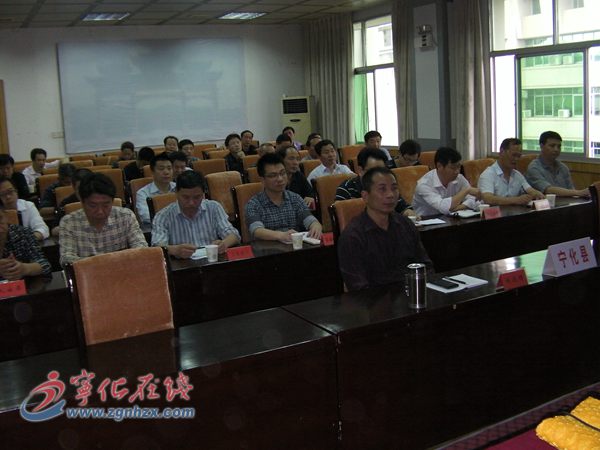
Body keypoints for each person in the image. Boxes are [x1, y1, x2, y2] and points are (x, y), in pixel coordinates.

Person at [337, 166, 432, 291]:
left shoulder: (406, 224)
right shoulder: (353, 236)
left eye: (394, 188)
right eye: (382, 189)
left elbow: (426, 266)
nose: (390, 195)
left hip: (412, 294)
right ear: (365, 196)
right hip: (375, 300)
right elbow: (358, 287)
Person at [59, 173, 147, 267]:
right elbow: (67, 258)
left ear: (112, 201)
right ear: (82, 202)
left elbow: (141, 248)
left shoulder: (126, 216)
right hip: (88, 274)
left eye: (105, 205)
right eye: (93, 206)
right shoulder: (69, 223)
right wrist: (105, 263)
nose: (100, 211)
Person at [152, 171, 240, 258]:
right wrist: (174, 250)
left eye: (197, 197)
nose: (191, 203)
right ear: (176, 193)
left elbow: (234, 235)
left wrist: (224, 244)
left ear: (203, 194)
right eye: (186, 197)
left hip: (211, 261)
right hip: (181, 263)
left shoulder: (213, 208)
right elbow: (157, 247)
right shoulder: (163, 216)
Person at [245, 153, 322, 243]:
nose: (280, 179)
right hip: (267, 249)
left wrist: (315, 226)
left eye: (282, 173)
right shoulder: (254, 204)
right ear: (262, 180)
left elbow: (310, 219)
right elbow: (256, 230)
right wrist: (280, 235)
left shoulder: (295, 198)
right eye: (273, 175)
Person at [336, 147, 415, 216]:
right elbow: (342, 219)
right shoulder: (346, 189)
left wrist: (408, 212)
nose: (379, 175)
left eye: (382, 170)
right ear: (360, 170)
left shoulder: (388, 187)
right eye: (373, 171)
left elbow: (402, 206)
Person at [412, 147, 480, 216]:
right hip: (427, 220)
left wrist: (457, 208)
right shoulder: (424, 184)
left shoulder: (459, 178)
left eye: (459, 167)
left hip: (450, 218)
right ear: (439, 166)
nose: (457, 171)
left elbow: (474, 199)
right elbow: (443, 208)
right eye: (453, 168)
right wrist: (466, 191)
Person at [478, 138, 544, 205]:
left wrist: (537, 194)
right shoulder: (488, 174)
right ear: (502, 152)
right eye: (513, 155)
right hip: (494, 211)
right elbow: (488, 199)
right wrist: (516, 200)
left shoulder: (517, 175)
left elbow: (530, 190)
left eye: (519, 156)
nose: (516, 159)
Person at [525, 131, 590, 198]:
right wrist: (579, 192)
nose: (556, 149)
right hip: (545, 204)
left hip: (567, 203)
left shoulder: (563, 167)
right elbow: (549, 190)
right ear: (541, 146)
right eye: (552, 146)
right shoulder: (534, 168)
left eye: (559, 146)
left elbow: (571, 190)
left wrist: (583, 195)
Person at [0, 209, 51, 280]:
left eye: (0, 219)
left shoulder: (22, 233)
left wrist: (24, 269)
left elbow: (45, 265)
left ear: (6, 217)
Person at [136, 152, 176, 225]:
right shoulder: (143, 193)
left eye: (169, 168)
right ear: (152, 172)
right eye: (161, 169)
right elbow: (146, 216)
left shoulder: (179, 188)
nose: (166, 172)